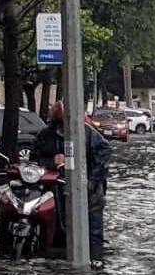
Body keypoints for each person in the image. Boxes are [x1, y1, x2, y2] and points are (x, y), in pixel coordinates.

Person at [31, 100, 113, 256]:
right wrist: (51, 161)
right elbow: (34, 160)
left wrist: (92, 180)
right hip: (55, 190)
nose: (63, 128)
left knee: (93, 235)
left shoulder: (88, 134)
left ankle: (95, 259)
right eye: (59, 124)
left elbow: (104, 152)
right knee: (57, 234)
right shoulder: (45, 136)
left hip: (89, 190)